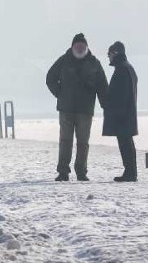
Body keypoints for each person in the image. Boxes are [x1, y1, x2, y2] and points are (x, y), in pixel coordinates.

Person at [46, 33, 108, 181]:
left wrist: (106, 104)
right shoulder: (63, 60)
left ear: (86, 47)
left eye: (82, 46)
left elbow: (102, 86)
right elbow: (50, 78)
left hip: (85, 110)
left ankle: (81, 171)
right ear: (72, 47)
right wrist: (59, 93)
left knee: (83, 142)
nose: (79, 48)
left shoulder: (94, 63)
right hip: (66, 109)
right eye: (77, 46)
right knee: (65, 141)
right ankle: (63, 171)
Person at [103, 41, 138, 182]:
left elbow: (121, 95)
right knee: (127, 142)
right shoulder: (127, 68)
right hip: (126, 114)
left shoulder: (122, 69)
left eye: (109, 53)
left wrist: (117, 112)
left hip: (123, 115)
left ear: (115, 53)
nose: (108, 57)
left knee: (125, 143)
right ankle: (130, 172)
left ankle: (130, 173)